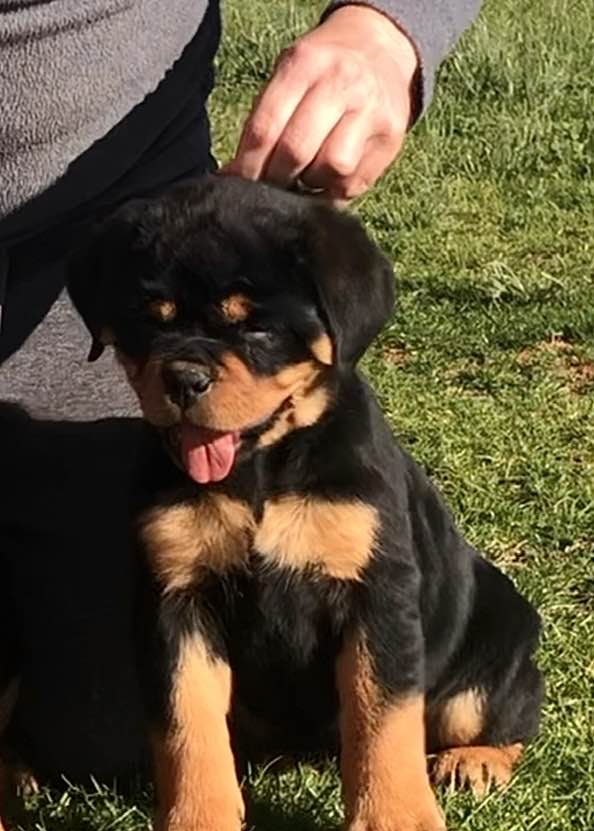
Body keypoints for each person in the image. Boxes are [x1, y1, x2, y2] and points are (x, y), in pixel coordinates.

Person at [0, 0, 481, 781]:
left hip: (103, 218)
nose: (192, 371)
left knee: (99, 727)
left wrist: (385, 26)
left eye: (248, 334)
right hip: (114, 279)